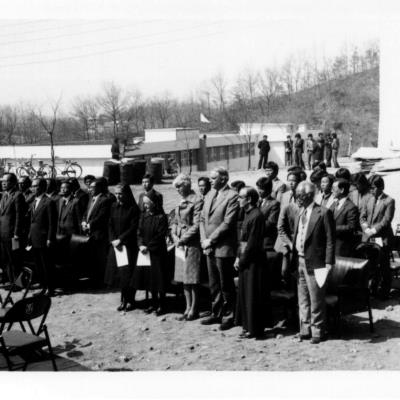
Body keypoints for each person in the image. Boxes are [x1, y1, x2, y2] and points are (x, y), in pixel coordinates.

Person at [292, 181, 335, 344]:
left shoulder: (323, 213)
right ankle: (305, 329)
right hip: (300, 260)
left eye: (300, 195)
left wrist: (329, 262)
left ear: (309, 195)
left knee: (316, 298)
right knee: (302, 298)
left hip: (317, 262)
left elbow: (331, 240)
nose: (298, 198)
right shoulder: (299, 212)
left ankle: (318, 331)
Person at [199, 166, 239, 331]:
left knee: (226, 284)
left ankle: (229, 315)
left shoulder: (232, 196)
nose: (210, 181)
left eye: (213, 178)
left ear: (223, 179)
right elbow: (202, 218)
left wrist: (211, 240)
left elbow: (228, 223)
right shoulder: (209, 195)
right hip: (209, 246)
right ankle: (217, 312)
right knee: (214, 283)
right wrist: (203, 239)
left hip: (223, 247)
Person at [235, 187, 269, 339]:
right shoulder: (247, 214)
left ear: (249, 199)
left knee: (252, 295)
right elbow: (242, 240)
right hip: (245, 261)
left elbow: (252, 243)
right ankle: (247, 326)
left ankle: (254, 329)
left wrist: (241, 260)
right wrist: (238, 257)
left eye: (240, 197)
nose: (238, 199)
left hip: (253, 262)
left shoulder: (257, 216)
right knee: (245, 294)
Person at [171, 174, 203, 321]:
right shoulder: (181, 201)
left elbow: (197, 225)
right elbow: (175, 222)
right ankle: (187, 307)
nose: (178, 189)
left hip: (191, 243)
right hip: (180, 243)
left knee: (192, 278)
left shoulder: (196, 200)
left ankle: (194, 309)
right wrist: (175, 236)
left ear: (187, 185)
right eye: (176, 187)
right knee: (184, 278)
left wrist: (182, 239)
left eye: (179, 186)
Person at [105, 184, 140, 312]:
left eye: (121, 193)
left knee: (128, 274)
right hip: (116, 246)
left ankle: (131, 300)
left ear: (126, 194)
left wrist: (121, 239)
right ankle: (123, 300)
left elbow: (133, 227)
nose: (118, 196)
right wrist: (113, 239)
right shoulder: (113, 206)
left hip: (128, 245)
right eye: (116, 194)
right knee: (120, 275)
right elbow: (110, 224)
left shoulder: (133, 208)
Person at [360, 175, 395, 298]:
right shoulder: (368, 199)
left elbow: (386, 220)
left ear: (381, 187)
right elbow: (362, 216)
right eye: (370, 188)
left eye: (374, 188)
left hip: (382, 238)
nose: (371, 190)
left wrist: (373, 230)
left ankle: (385, 292)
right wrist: (366, 228)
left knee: (384, 265)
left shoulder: (389, 201)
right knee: (371, 265)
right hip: (369, 237)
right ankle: (372, 290)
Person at [137, 192, 168, 315]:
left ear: (154, 204)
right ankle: (153, 303)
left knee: (159, 279)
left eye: (148, 203)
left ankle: (161, 304)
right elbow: (139, 232)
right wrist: (140, 245)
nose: (145, 206)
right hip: (145, 251)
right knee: (149, 279)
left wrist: (148, 247)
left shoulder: (161, 217)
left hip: (157, 252)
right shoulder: (144, 216)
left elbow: (160, 235)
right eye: (144, 203)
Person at [28, 178, 57, 295]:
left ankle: (50, 288)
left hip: (44, 238)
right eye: (33, 186)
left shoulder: (49, 202)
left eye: (36, 186)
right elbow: (32, 221)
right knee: (38, 265)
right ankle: (43, 286)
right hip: (35, 238)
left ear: (43, 187)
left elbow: (52, 223)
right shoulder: (34, 202)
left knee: (47, 265)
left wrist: (50, 238)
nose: (33, 188)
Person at [81, 179, 111, 288]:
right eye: (90, 188)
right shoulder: (91, 199)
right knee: (92, 258)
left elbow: (102, 217)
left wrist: (90, 225)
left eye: (92, 188)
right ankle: (94, 279)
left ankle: (102, 281)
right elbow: (86, 213)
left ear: (99, 188)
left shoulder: (104, 200)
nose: (90, 190)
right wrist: (84, 222)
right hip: (90, 233)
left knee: (100, 258)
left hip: (99, 234)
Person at [0, 173, 25, 283]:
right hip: (3, 234)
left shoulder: (18, 195)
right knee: (6, 259)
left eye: (7, 181)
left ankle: (18, 283)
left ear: (14, 183)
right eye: (2, 181)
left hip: (13, 235)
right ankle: (11, 281)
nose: (3, 183)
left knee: (15, 259)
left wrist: (16, 234)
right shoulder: (4, 196)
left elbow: (19, 217)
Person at [330, 179, 359, 257]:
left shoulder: (351, 207)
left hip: (342, 246)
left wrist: (333, 228)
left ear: (342, 190)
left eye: (333, 188)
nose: (331, 190)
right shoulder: (334, 204)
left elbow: (351, 226)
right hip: (331, 244)